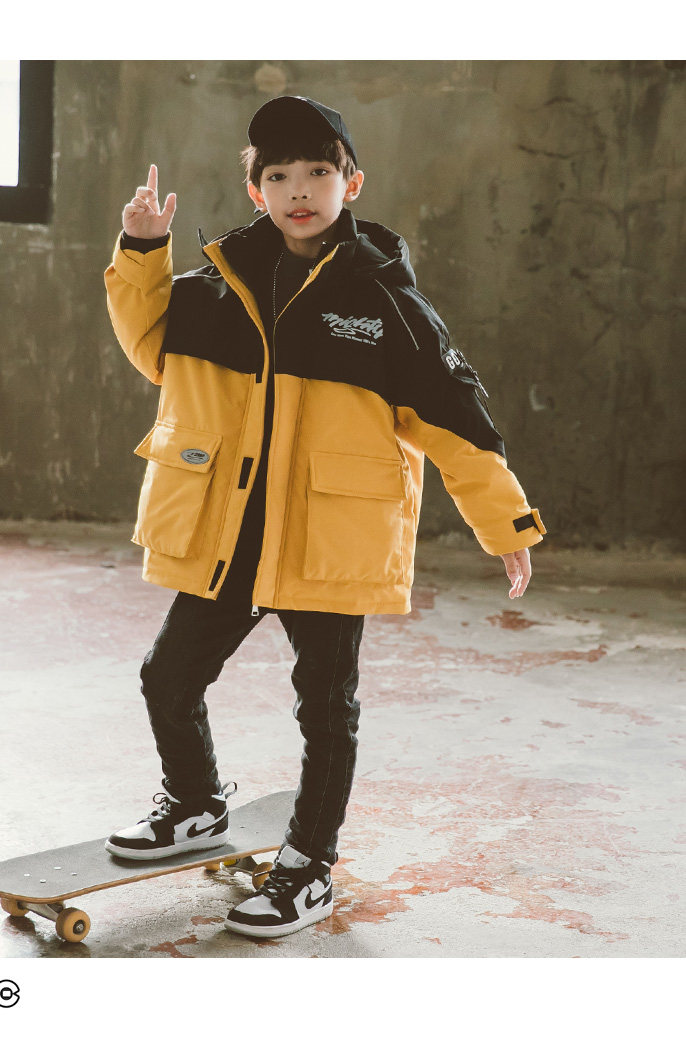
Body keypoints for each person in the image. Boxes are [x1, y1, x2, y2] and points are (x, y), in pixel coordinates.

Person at [102, 95, 545, 939]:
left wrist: (505, 524)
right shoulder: (217, 287)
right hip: (234, 535)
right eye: (277, 175)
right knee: (167, 675)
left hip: (328, 545)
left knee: (325, 708)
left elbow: (457, 422)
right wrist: (144, 249)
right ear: (255, 189)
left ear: (352, 183)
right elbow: (149, 339)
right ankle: (195, 802)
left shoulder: (386, 305)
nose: (298, 189)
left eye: (317, 171)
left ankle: (308, 866)